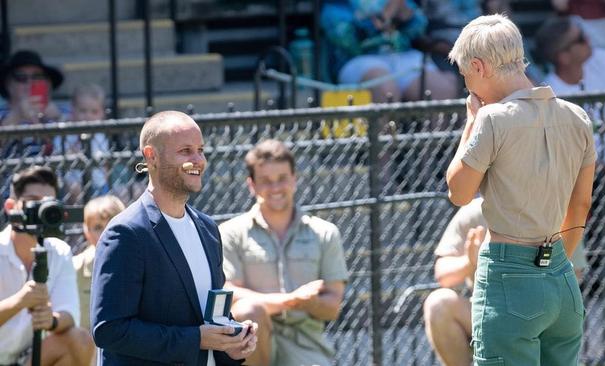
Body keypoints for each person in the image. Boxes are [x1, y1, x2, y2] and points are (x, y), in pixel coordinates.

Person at [446, 14, 596, 366]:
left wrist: (470, 123)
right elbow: (582, 203)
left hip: (508, 277)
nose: (468, 87)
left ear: (479, 67)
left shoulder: (491, 119)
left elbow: (458, 192)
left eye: (466, 76)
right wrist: (552, 262)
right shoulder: (578, 118)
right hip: (561, 276)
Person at [91, 111, 258, 365]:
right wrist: (196, 340)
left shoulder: (208, 228)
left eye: (200, 150)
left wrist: (232, 340)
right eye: (185, 151)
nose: (197, 159)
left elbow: (206, 316)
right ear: (151, 156)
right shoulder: (126, 233)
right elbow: (109, 330)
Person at [219, 139, 349, 366]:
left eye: (281, 179)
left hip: (306, 347)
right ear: (252, 185)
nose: (275, 188)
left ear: (294, 179)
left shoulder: (325, 233)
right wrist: (291, 300)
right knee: (249, 311)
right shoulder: (229, 233)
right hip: (249, 348)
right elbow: (230, 295)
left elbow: (332, 308)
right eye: (266, 181)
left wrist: (304, 303)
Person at [423, 198, 589, 366]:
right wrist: (469, 261)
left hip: (540, 310)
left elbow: (573, 274)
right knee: (438, 303)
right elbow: (442, 274)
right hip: (490, 313)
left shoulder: (555, 210)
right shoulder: (475, 211)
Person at [0, 166, 94, 366]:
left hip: (26, 359)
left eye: (48, 203)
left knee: (80, 340)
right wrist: (19, 302)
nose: (41, 210)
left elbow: (70, 314)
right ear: (10, 207)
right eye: (33, 202)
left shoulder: (59, 251)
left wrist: (51, 320)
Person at [320, 0, 458, 102]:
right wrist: (383, 17)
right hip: (358, 60)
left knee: (442, 89)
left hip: (403, 56)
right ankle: (385, 140)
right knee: (386, 90)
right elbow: (347, 39)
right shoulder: (337, 5)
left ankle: (433, 142)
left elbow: (418, 29)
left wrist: (407, 17)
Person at [0, 50, 68, 158]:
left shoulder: (67, 112)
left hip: (56, 174)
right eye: (21, 77)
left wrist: (60, 119)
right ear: (8, 84)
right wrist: (15, 117)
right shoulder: (2, 114)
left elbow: (87, 144)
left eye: (37, 77)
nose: (30, 83)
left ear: (48, 83)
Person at [73, 194, 125, 331]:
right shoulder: (75, 268)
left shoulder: (140, 263)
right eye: (97, 227)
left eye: (112, 225)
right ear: (87, 231)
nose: (106, 233)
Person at [59, 83, 111, 204]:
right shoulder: (65, 134)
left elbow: (105, 166)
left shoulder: (101, 136)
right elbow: (58, 157)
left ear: (102, 114)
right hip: (73, 187)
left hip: (99, 187)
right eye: (83, 111)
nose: (88, 116)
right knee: (74, 188)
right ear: (73, 111)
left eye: (94, 112)